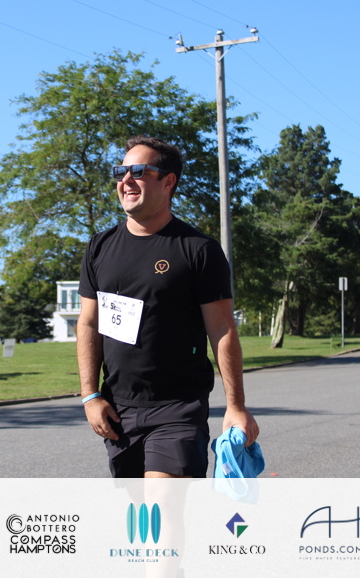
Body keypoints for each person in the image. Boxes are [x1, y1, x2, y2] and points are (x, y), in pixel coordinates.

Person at [76, 136, 259, 478]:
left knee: (162, 503)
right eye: (120, 172)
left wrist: (236, 406)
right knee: (137, 511)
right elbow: (88, 323)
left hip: (178, 408)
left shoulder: (198, 250)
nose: (126, 180)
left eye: (138, 172)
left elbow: (222, 329)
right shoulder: (99, 247)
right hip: (119, 410)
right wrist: (90, 396)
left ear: (168, 181)